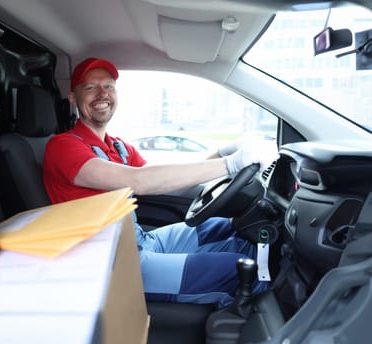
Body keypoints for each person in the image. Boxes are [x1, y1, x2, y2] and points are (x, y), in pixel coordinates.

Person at [43, 57, 278, 307]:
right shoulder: (62, 147)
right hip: (113, 265)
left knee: (227, 228)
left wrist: (220, 153)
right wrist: (230, 164)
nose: (103, 94)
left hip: (140, 242)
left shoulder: (118, 146)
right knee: (237, 272)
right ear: (72, 97)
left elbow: (164, 181)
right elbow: (139, 181)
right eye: (91, 87)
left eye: (109, 86)